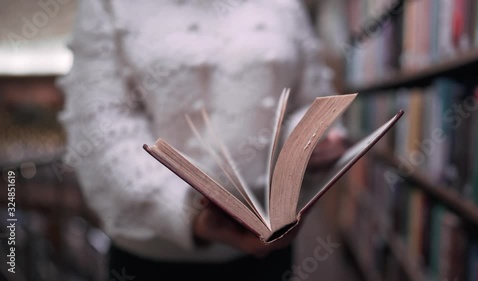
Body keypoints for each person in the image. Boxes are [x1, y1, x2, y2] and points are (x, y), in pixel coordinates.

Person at [56, 0, 347, 280]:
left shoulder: (286, 5)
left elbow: (310, 100)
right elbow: (99, 123)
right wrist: (187, 210)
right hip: (152, 258)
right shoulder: (107, 4)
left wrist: (314, 137)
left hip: (270, 244)